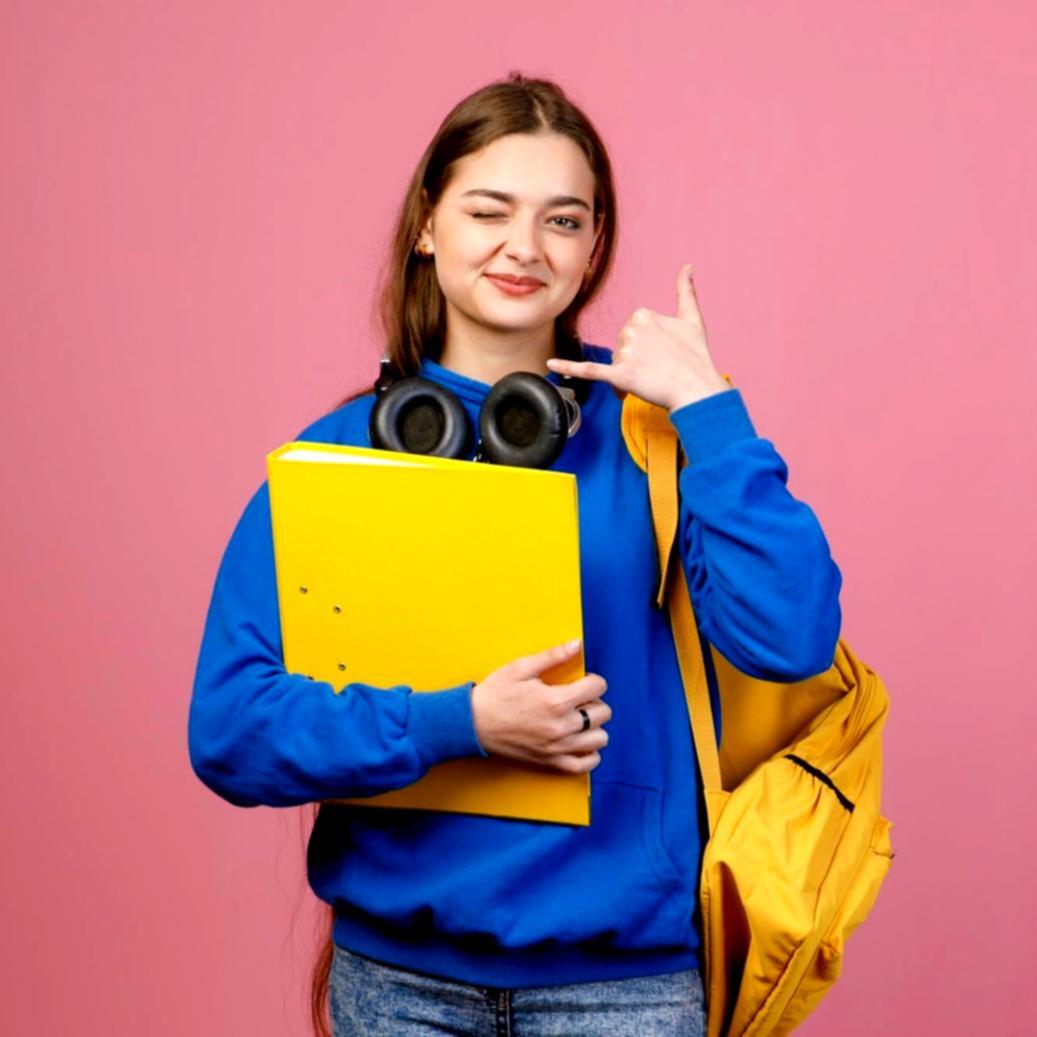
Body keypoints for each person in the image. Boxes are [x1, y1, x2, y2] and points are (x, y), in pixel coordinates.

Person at [186, 72, 843, 1037]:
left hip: (626, 987)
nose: (523, 247)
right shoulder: (333, 459)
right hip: (398, 986)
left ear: (593, 247)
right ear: (426, 226)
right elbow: (233, 730)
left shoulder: (658, 445)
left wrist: (711, 411)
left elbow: (791, 640)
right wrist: (464, 723)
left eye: (562, 220)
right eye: (488, 209)